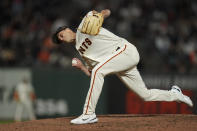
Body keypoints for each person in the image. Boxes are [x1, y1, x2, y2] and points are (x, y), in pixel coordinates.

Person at [52, 9, 193, 124]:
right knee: (145, 95)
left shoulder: (84, 24)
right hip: (119, 62)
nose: (62, 38)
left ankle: (88, 113)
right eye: (60, 39)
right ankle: (175, 94)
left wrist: (101, 15)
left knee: (98, 71)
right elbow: (92, 73)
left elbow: (107, 11)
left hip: (125, 51)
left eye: (61, 34)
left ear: (66, 29)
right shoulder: (81, 51)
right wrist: (82, 67)